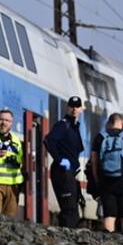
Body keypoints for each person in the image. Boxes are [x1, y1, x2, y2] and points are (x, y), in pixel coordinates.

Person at [91, 113, 123, 235]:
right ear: (122, 123)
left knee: (109, 215)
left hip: (106, 180)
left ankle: (109, 243)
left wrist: (97, 179)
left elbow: (94, 162)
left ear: (109, 122)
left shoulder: (100, 137)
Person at [45, 96, 85, 228]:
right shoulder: (62, 125)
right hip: (62, 172)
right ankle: (69, 235)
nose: (74, 109)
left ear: (81, 109)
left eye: (77, 107)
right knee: (69, 209)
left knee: (73, 207)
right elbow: (49, 140)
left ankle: (70, 235)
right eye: (72, 106)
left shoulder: (75, 127)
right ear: (67, 108)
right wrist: (59, 159)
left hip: (70, 172)